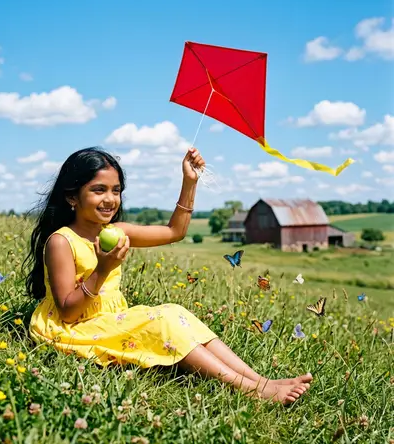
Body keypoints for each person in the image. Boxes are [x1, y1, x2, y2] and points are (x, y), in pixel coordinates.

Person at [24, 146, 312, 404]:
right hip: (73, 330)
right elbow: (69, 314)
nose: (110, 199)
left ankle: (260, 381)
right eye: (99, 190)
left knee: (174, 311)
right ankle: (249, 389)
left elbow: (175, 232)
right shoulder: (61, 241)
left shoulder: (116, 232)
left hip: (107, 319)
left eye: (116, 190)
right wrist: (102, 269)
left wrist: (190, 181)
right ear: (72, 196)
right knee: (163, 321)